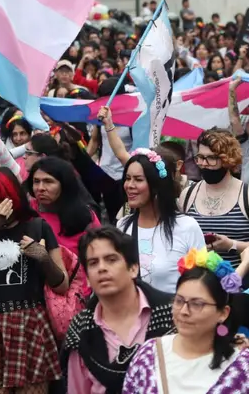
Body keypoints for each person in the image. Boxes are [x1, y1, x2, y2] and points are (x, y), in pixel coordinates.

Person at [0, 168, 68, 393]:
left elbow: (62, 284)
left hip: (31, 324)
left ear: (13, 197)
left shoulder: (36, 226)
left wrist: (43, 257)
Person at [63, 226, 177, 394]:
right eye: (93, 263)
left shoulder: (172, 314)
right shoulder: (81, 330)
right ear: (87, 278)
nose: (102, 268)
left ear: (133, 268)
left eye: (111, 259)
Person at [122, 249, 249, 393]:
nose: (184, 311)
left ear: (223, 313)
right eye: (179, 301)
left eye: (197, 304)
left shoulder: (241, 368)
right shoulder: (149, 355)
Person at [116, 149, 205, 293]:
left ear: (156, 186)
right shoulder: (122, 226)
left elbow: (201, 282)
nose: (129, 185)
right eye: (127, 178)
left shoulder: (186, 227)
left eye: (138, 179)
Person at [180, 128, 249, 269]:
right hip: (197, 284)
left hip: (238, 284)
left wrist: (231, 245)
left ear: (227, 159)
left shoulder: (246, 195)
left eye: (211, 158)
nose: (204, 163)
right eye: (200, 157)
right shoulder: (187, 195)